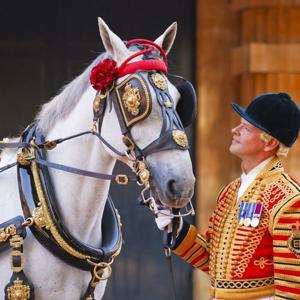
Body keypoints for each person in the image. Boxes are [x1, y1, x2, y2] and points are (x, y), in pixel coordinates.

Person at [155, 93, 300, 300]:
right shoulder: (230, 191)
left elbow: (292, 290)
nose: (235, 130)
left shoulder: (289, 200)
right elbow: (212, 261)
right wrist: (176, 227)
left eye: (246, 128)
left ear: (270, 143)